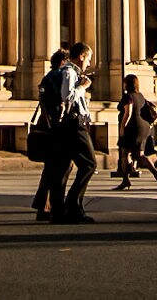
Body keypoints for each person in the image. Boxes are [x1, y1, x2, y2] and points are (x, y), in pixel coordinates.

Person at [45, 42, 99, 222]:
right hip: (74, 125)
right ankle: (73, 206)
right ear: (81, 57)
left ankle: (58, 211)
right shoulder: (69, 72)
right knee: (89, 164)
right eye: (88, 59)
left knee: (62, 167)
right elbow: (67, 97)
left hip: (67, 125)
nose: (89, 64)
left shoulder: (72, 73)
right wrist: (82, 87)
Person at [31, 49, 67, 221]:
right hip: (56, 126)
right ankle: (52, 205)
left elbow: (42, 101)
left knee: (50, 168)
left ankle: (43, 205)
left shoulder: (47, 77)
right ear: (63, 62)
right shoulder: (60, 76)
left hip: (48, 124)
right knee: (59, 167)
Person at [116, 73, 157, 192]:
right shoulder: (141, 96)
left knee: (124, 153)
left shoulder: (128, 97)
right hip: (144, 127)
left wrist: (122, 127)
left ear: (126, 84)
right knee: (140, 154)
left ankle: (125, 180)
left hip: (132, 127)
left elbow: (128, 112)